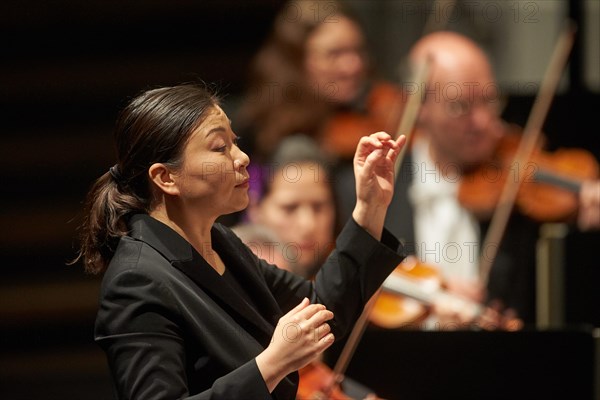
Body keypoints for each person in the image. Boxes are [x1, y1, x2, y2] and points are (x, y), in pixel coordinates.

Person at [70, 82, 407, 399]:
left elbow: (320, 309)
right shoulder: (136, 280)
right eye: (220, 147)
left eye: (235, 141)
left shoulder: (219, 242)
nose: (242, 157)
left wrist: (369, 207)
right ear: (166, 177)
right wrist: (272, 364)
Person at [384, 30, 539, 328]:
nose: (483, 122)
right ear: (418, 108)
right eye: (460, 106)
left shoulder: (521, 192)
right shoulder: (369, 189)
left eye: (489, 100)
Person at [234, 0, 405, 223]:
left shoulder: (373, 109)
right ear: (297, 59)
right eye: (335, 53)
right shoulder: (258, 133)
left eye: (357, 50)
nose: (353, 65)